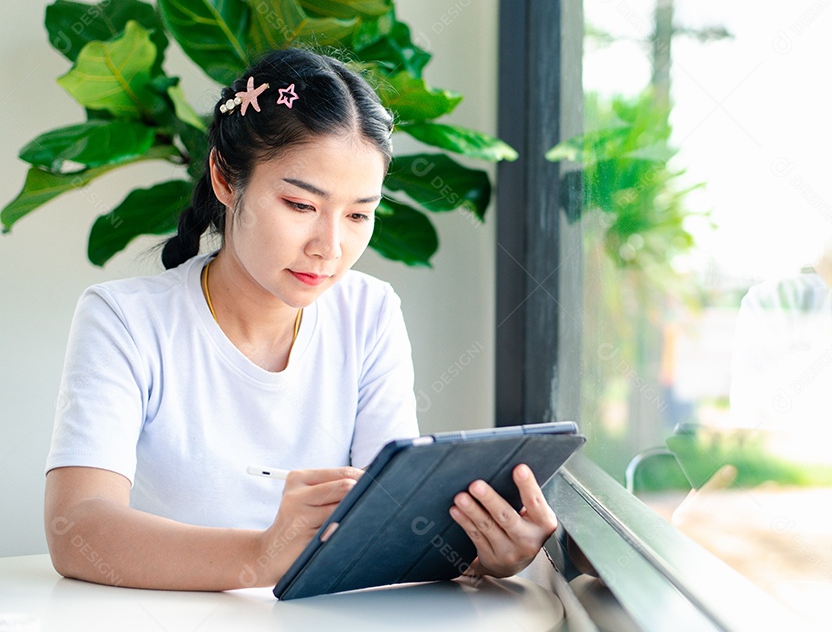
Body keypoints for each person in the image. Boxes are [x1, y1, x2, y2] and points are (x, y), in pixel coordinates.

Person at [43, 48, 556, 591]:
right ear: (224, 178)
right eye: (300, 205)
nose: (329, 248)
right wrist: (262, 556)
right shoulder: (125, 319)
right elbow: (77, 529)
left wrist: (482, 552)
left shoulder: (369, 313)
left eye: (359, 214)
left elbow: (392, 522)